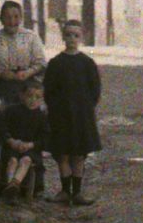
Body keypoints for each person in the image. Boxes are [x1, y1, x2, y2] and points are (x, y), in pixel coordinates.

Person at [43, 21, 102, 206]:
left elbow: (95, 89)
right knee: (62, 154)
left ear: (81, 37)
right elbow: (49, 89)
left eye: (76, 35)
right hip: (60, 116)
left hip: (81, 116)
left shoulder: (87, 63)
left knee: (78, 154)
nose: (72, 39)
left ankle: (77, 192)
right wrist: (54, 108)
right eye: (68, 35)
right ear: (63, 37)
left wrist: (85, 107)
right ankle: (64, 190)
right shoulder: (56, 63)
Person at [0, 0, 47, 106]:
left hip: (26, 85)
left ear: (21, 18)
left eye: (16, 17)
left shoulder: (31, 37)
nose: (12, 21)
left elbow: (41, 62)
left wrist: (28, 72)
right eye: (8, 17)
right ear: (1, 19)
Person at [0, 79, 50, 202]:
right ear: (21, 95)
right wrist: (10, 140)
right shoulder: (11, 111)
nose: (33, 100)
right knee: (12, 160)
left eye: (37, 97)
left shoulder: (42, 117)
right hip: (12, 147)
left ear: (42, 99)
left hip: (31, 150)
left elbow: (46, 138)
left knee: (26, 160)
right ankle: (10, 188)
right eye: (29, 96)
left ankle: (14, 184)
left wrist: (31, 145)